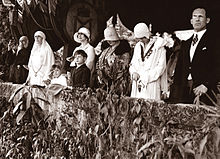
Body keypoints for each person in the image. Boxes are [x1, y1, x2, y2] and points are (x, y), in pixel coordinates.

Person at [169, 7, 218, 105]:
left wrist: (206, 85)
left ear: (207, 20)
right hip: (183, 91)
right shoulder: (185, 44)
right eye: (195, 16)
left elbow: (217, 66)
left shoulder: (214, 41)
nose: (197, 19)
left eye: (200, 16)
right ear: (191, 21)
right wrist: (174, 94)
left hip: (203, 92)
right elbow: (179, 69)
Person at [129, 23, 167, 100]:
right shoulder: (138, 46)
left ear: (147, 35)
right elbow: (133, 63)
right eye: (139, 38)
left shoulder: (159, 46)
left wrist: (146, 77)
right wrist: (133, 72)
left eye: (143, 38)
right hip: (137, 83)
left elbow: (161, 67)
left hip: (151, 83)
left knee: (150, 108)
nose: (141, 40)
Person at [96, 26, 131, 95]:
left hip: (119, 83)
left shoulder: (123, 51)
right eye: (108, 40)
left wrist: (109, 76)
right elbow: (98, 62)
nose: (109, 41)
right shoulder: (106, 50)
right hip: (105, 83)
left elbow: (123, 68)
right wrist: (100, 74)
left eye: (111, 39)